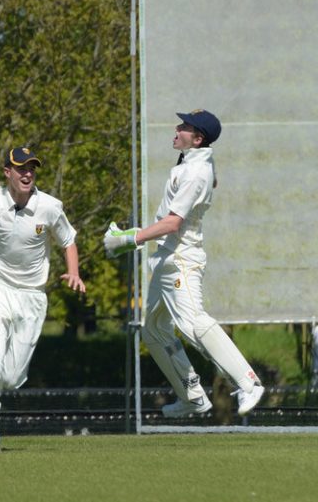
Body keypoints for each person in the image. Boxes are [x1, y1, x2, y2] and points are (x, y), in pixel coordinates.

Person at [104, 109, 264, 418]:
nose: (177, 129)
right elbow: (210, 181)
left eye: (185, 127)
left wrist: (129, 239)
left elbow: (172, 223)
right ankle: (191, 395)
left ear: (198, 138)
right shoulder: (195, 162)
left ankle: (249, 383)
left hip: (181, 260)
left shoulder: (194, 172)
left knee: (193, 323)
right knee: (153, 330)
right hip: (166, 259)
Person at [0, 147, 86, 452]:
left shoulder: (48, 206)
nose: (28, 174)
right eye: (21, 168)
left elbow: (69, 240)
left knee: (10, 376)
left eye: (32, 168)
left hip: (32, 297)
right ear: (7, 172)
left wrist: (73, 272)